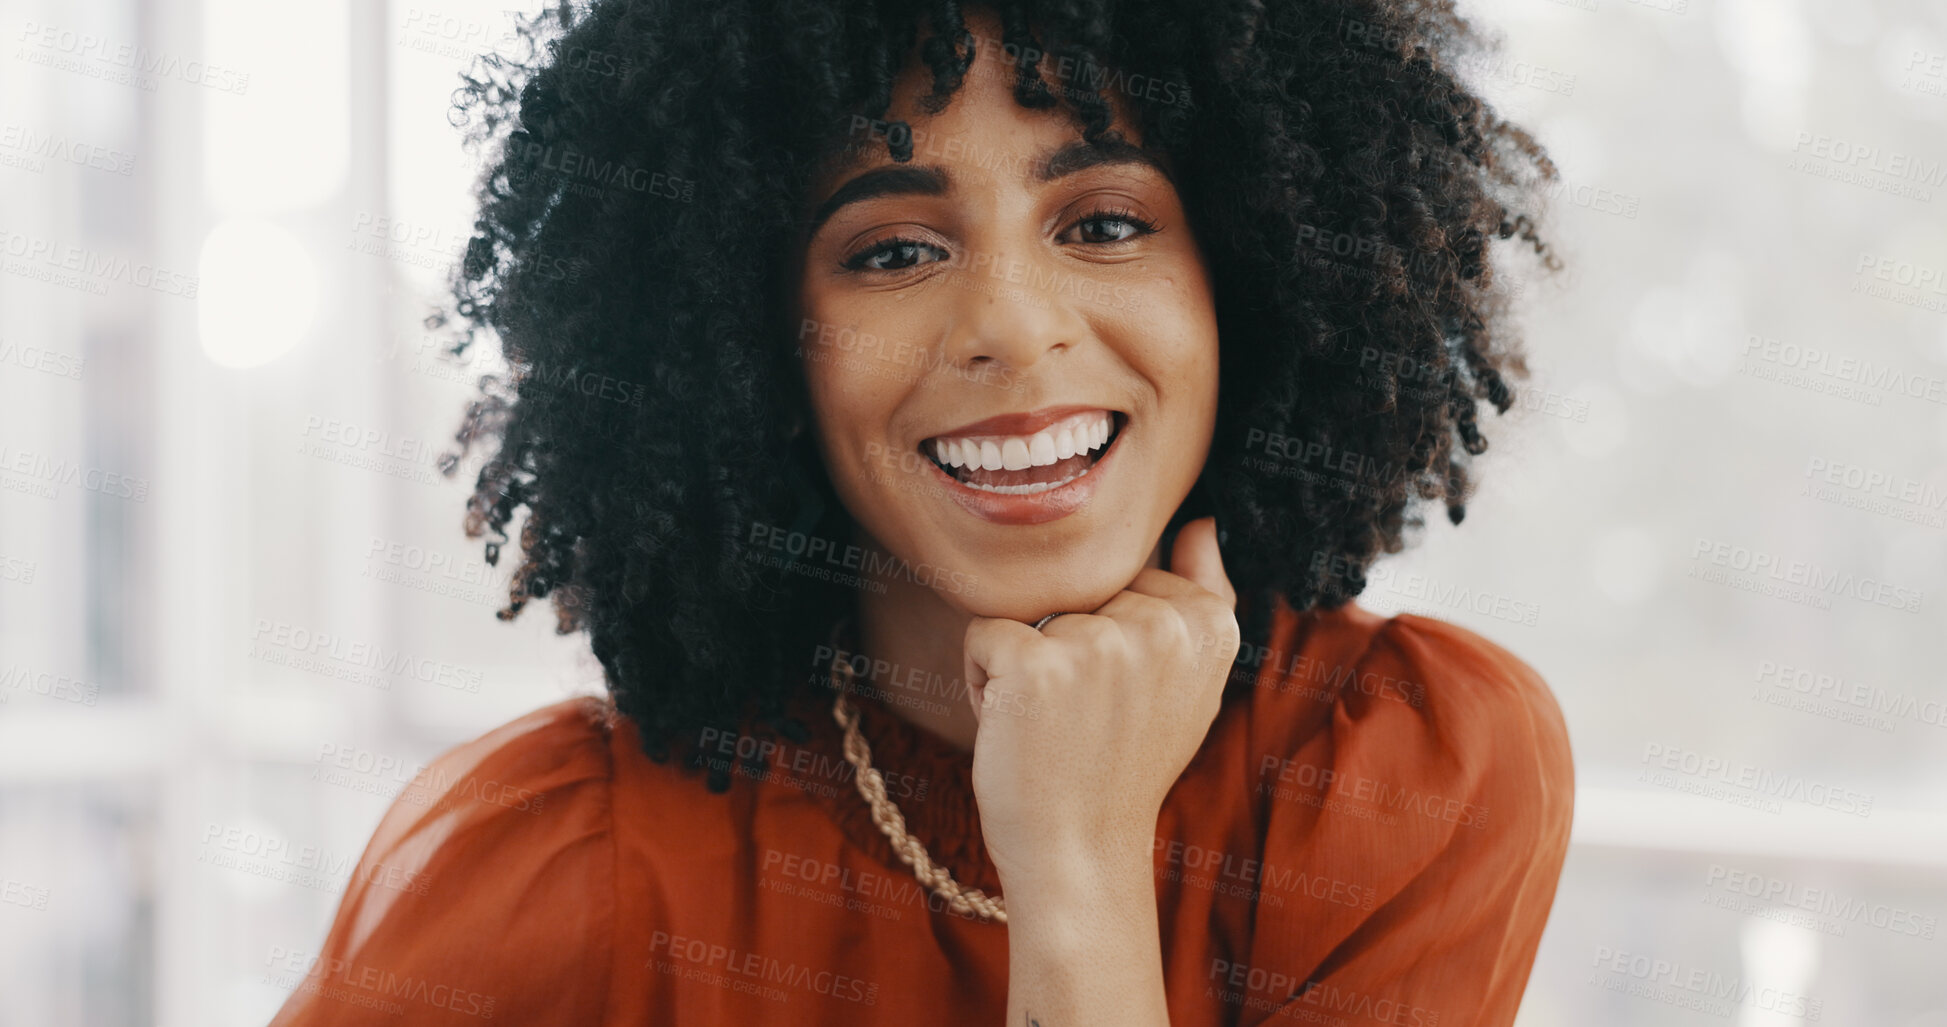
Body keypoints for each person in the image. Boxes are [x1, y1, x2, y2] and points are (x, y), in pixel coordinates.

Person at [271, 1, 1572, 1023]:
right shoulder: (581, 862)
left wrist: (1075, 860)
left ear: (1246, 281)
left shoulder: (1392, 776)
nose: (1010, 327)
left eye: (1106, 222)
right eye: (893, 251)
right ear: (755, 344)